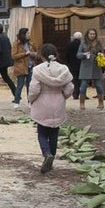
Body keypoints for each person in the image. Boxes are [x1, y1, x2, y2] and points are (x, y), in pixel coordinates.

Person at [27, 44, 73, 174]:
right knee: (54, 132)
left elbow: (34, 89)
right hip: (58, 101)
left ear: (41, 55)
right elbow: (69, 88)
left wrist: (31, 99)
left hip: (42, 102)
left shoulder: (37, 70)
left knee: (42, 132)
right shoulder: (64, 69)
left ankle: (47, 154)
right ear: (56, 54)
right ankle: (51, 156)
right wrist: (63, 96)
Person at [76, 28, 105, 109]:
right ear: (87, 35)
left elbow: (103, 53)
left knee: (99, 86)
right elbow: (78, 55)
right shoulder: (83, 43)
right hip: (85, 67)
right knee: (83, 86)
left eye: (93, 34)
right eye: (90, 34)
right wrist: (84, 54)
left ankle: (101, 102)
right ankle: (82, 103)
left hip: (96, 66)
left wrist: (100, 56)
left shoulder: (98, 43)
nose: (92, 35)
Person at [11, 28, 35, 106]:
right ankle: (16, 101)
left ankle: (30, 101)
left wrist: (33, 54)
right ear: (23, 35)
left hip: (30, 66)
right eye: (27, 33)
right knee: (20, 85)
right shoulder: (16, 44)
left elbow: (36, 52)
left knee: (30, 85)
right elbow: (13, 56)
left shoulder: (31, 43)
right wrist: (24, 54)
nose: (29, 35)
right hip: (21, 67)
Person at [65, 31, 83, 98]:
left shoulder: (69, 44)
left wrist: (68, 62)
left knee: (74, 80)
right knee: (81, 79)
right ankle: (82, 93)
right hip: (81, 64)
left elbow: (67, 55)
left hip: (72, 64)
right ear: (81, 37)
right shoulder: (82, 44)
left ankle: (75, 94)